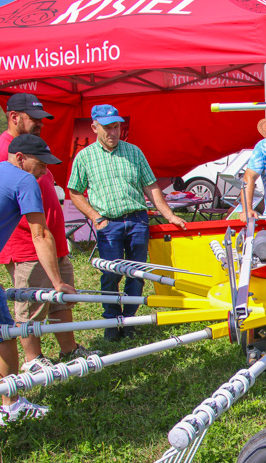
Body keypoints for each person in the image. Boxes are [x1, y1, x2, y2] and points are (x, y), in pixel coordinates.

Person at [0, 134, 76, 430]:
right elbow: (40, 233)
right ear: (20, 157)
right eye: (41, 164)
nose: (44, 171)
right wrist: (57, 283)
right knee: (4, 333)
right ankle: (12, 404)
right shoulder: (23, 181)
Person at [0, 93, 99, 373]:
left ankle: (68, 349)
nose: (40, 124)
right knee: (31, 304)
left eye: (41, 119)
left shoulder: (34, 146)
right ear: (14, 117)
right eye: (34, 119)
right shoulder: (2, 153)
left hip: (52, 240)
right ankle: (33, 359)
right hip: (26, 244)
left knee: (62, 299)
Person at [67, 104, 186, 342]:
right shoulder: (85, 157)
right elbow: (75, 192)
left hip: (137, 221)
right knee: (110, 274)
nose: (113, 132)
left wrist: (169, 214)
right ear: (94, 127)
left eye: (117, 127)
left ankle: (130, 320)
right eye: (107, 128)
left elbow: (151, 186)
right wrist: (95, 217)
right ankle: (112, 321)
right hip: (108, 223)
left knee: (137, 272)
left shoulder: (133, 152)